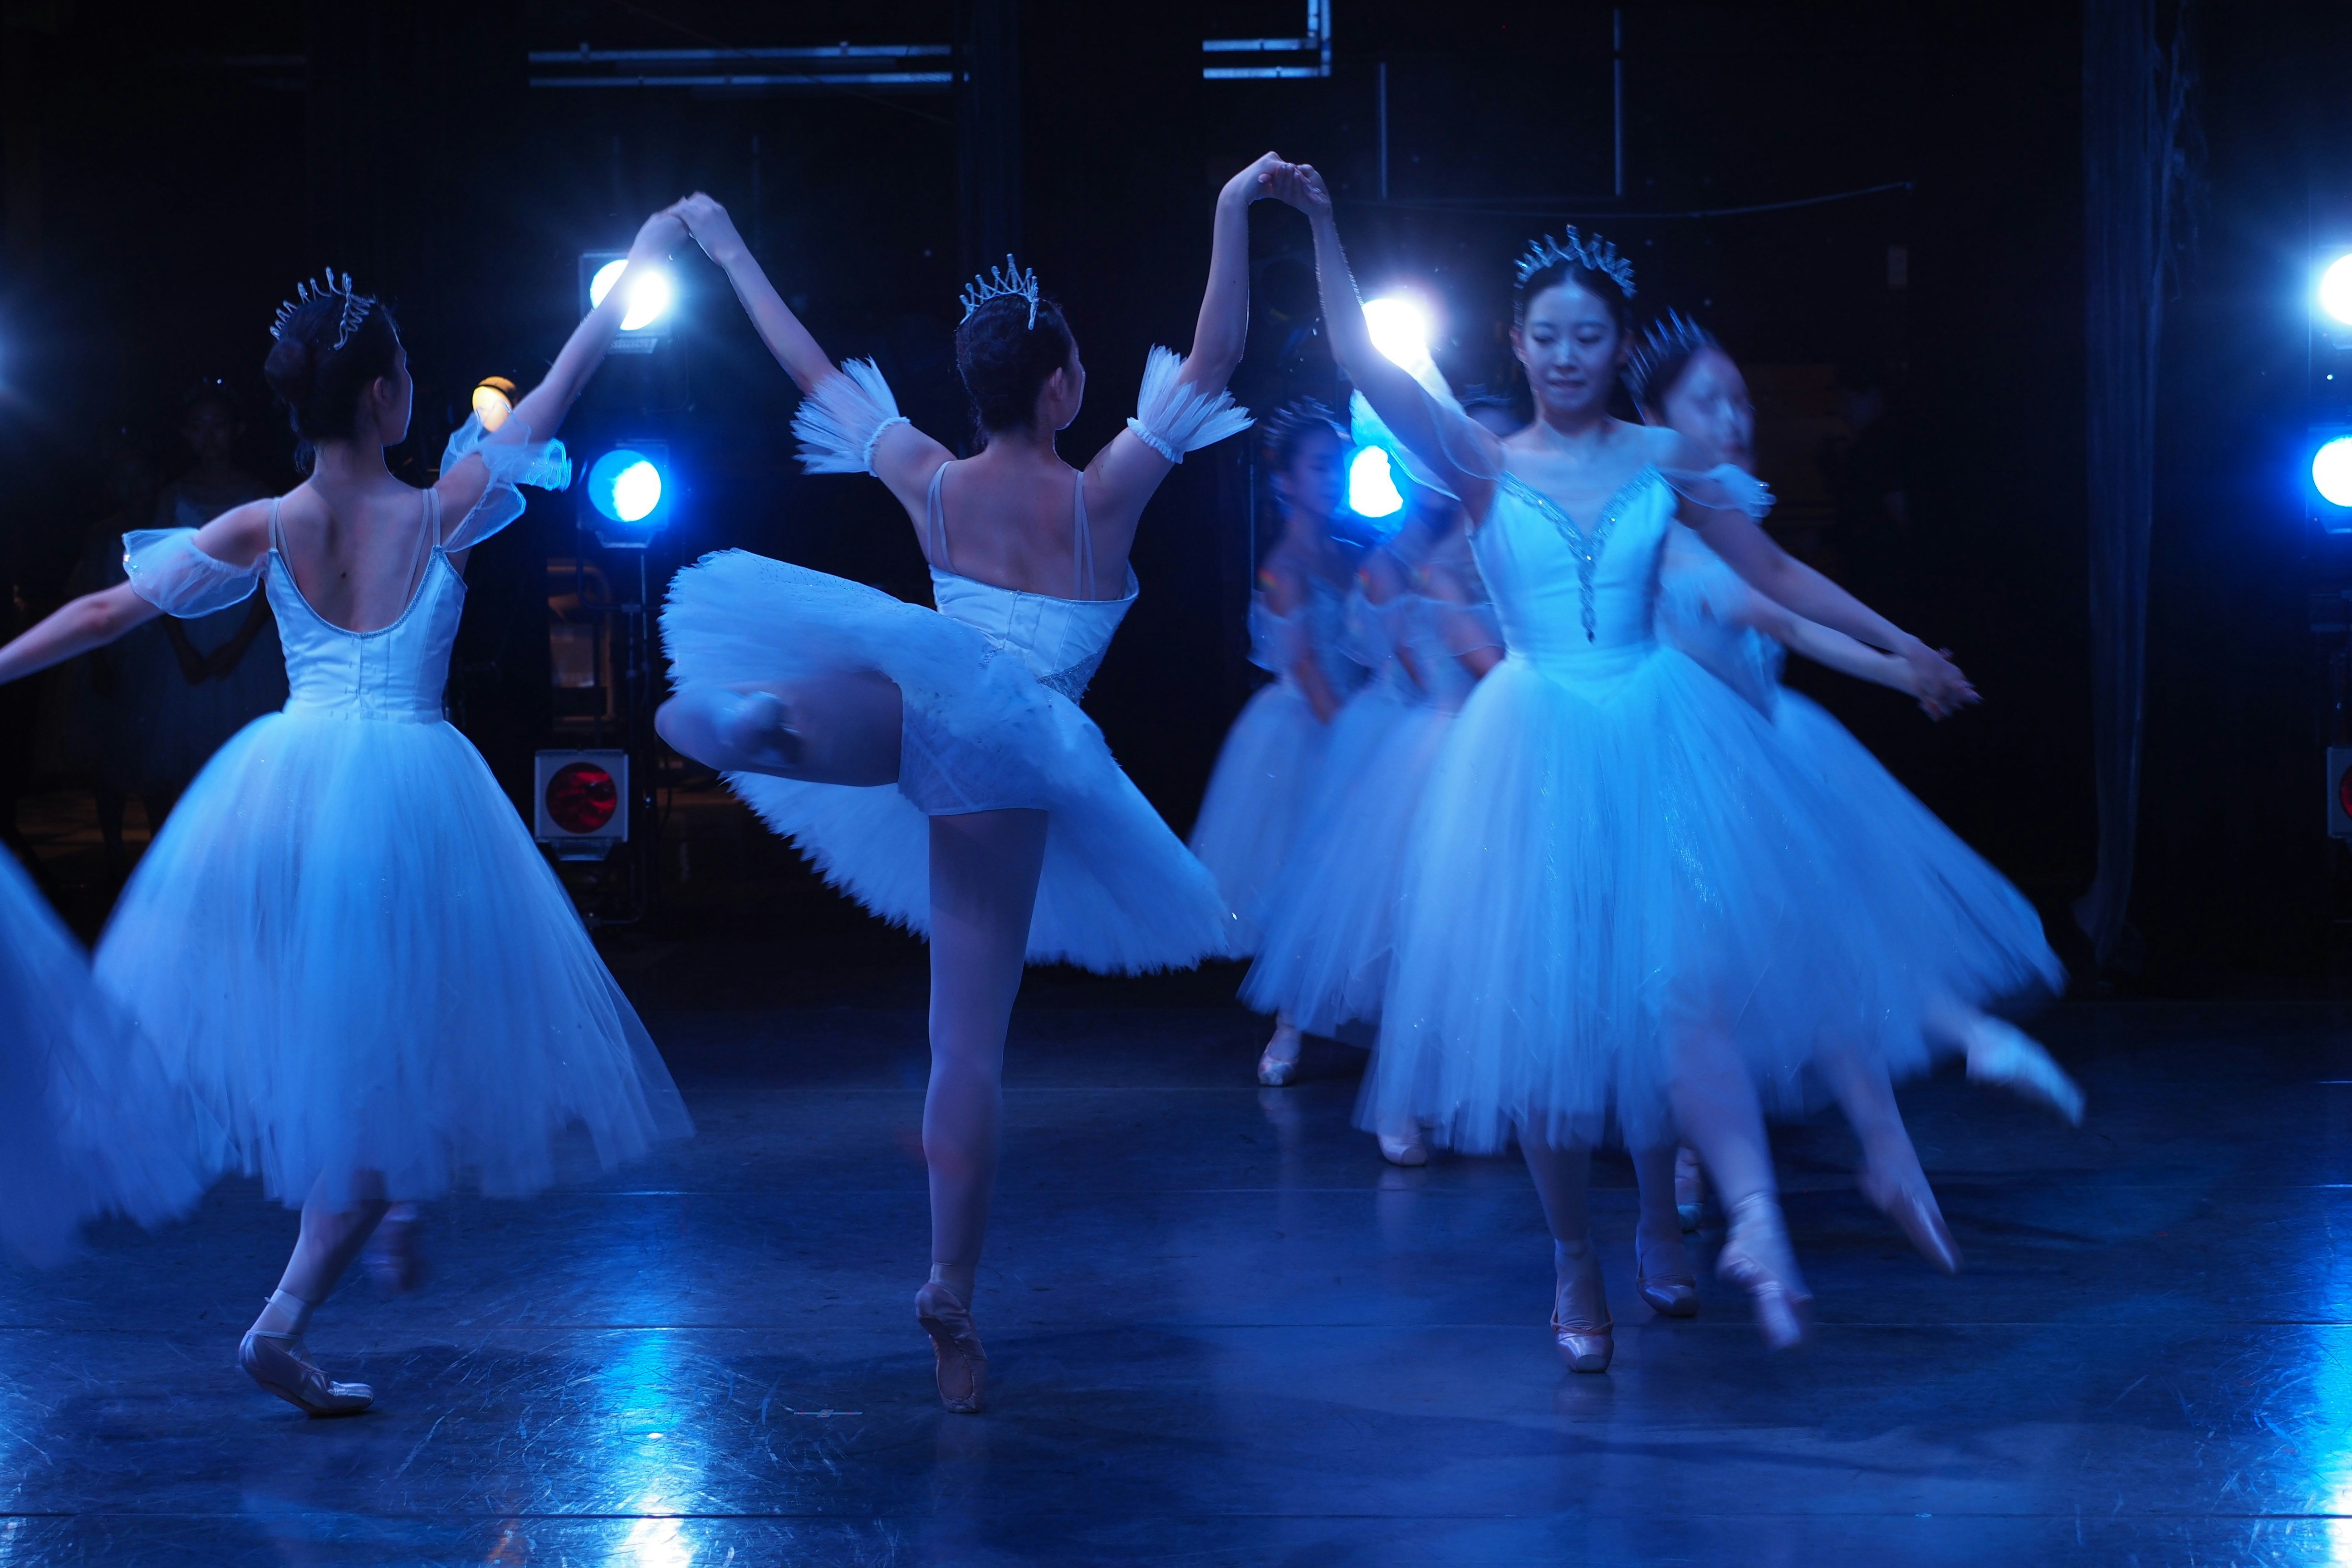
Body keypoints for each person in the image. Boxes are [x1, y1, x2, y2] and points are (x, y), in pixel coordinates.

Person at [0, 214, 696, 1417]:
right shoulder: (447, 508)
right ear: (384, 398)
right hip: (414, 798)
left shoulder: (267, 525)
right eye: (411, 376)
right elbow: (562, 387)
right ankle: (290, 1313)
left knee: (370, 1043)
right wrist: (639, 262)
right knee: (389, 1073)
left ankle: (389, 1209)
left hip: (297, 794)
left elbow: (109, 613)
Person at [1286, 162, 1978, 1362]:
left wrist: (1901, 642)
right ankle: (1572, 1257)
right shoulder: (1481, 457)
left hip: (1660, 731)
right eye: (1546, 336)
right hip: (1535, 742)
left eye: (1588, 336)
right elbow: (1360, 361)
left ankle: (1662, 1216)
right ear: (1517, 340)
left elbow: (1772, 576)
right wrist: (1322, 224)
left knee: (1665, 993)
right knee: (1548, 1013)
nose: (1565, 356)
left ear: (1615, 347)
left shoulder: (1664, 455)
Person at [655, 158, 1291, 1414]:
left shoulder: (932, 481)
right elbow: (1215, 363)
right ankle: (950, 1282)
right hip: (1011, 758)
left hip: (924, 707)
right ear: (1062, 388)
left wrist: (728, 251)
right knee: (967, 1053)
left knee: (728, 707)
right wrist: (1229, 207)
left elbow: (814, 373)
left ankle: (753, 719)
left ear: (977, 389)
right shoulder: (1101, 494)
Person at [1632, 313, 2078, 1267]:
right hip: (1674, 787)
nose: (1736, 416)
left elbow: (1784, 596)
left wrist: (1903, 653)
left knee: (1812, 953)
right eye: (1709, 402)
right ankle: (1707, 1179)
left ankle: (1891, 1146)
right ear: (1656, 417)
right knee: (1705, 982)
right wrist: (1900, 662)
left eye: (1742, 399)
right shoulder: (1649, 523)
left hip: (1759, 759)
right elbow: (1778, 615)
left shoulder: (1728, 513)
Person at [1240, 404, 1500, 1165]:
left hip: (1405, 720)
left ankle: (1466, 1063)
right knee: (1356, 895)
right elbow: (1346, 663)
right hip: (1380, 725)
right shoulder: (1376, 563)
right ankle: (1316, 1033)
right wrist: (1352, 750)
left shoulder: (1381, 551)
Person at [1189, 400, 1366, 1086]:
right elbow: (1307, 667)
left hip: (1358, 714)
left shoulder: (1353, 554)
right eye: (1319, 467)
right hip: (1307, 730)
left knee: (1353, 881)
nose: (1332, 478)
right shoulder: (1286, 567)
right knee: (1304, 877)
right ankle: (1290, 1023)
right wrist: (1358, 750)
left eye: (1339, 466)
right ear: (1286, 481)